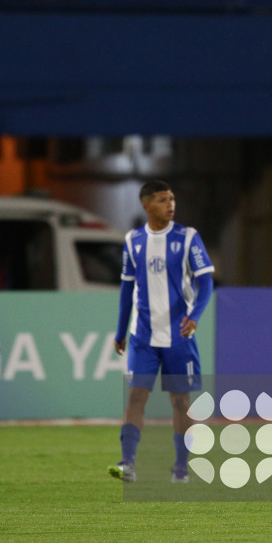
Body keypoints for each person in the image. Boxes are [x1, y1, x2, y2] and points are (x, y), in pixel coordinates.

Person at [108, 180, 215, 484]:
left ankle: (181, 466)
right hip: (143, 336)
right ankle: (127, 462)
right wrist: (120, 332)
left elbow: (205, 282)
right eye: (162, 200)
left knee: (181, 402)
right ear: (146, 205)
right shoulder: (133, 240)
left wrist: (194, 316)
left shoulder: (188, 237)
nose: (170, 205)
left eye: (172, 199)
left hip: (179, 336)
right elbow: (127, 289)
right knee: (135, 398)